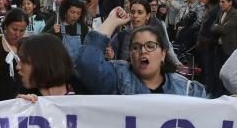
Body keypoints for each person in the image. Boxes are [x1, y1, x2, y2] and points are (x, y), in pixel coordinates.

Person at [77, 6, 206, 97]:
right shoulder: (118, 77)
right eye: (136, 47)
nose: (143, 51)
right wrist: (111, 21)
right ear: (130, 55)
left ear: (163, 54)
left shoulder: (188, 90)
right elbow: (87, 63)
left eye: (150, 46)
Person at [17, 33, 76, 97]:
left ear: (44, 62)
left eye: (24, 61)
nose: (17, 67)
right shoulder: (24, 96)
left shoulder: (81, 91)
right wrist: (18, 105)